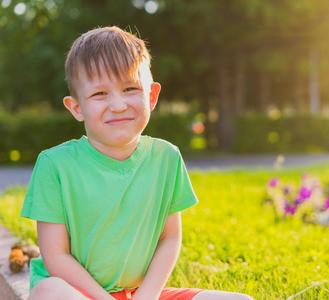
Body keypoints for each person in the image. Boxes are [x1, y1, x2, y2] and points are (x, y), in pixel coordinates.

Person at [20, 26, 252, 300]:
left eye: (130, 88)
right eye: (99, 94)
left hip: (138, 295)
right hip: (78, 293)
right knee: (49, 292)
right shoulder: (54, 165)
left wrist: (147, 296)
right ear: (76, 107)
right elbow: (56, 257)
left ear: (151, 96)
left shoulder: (166, 158)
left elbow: (170, 238)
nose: (118, 105)